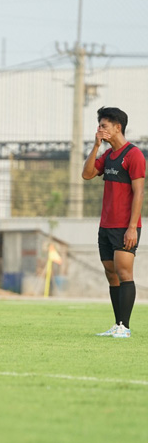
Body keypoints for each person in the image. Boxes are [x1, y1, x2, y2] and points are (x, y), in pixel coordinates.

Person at [82, 106, 145, 338]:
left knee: (124, 272)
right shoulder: (107, 155)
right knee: (111, 273)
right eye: (99, 126)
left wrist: (132, 228)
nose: (99, 129)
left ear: (118, 127)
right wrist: (96, 145)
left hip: (125, 226)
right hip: (105, 226)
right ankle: (117, 323)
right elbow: (87, 174)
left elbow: (139, 193)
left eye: (104, 126)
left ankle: (125, 328)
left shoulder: (134, 155)